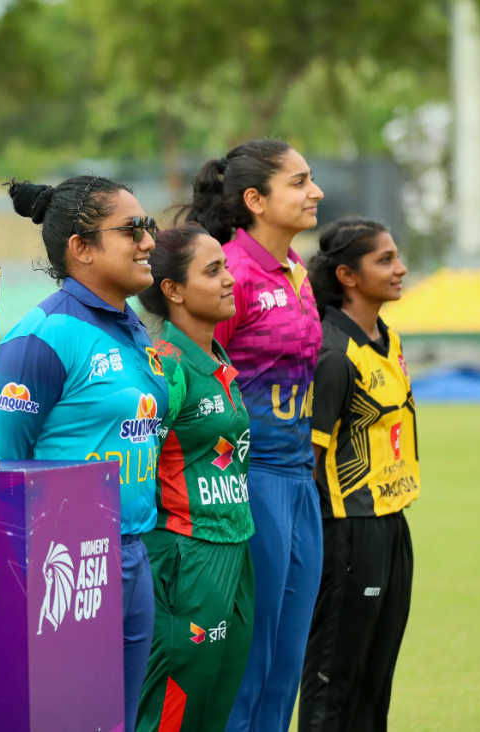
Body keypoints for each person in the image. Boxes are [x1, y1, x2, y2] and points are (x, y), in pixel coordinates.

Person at [0, 175, 165, 731]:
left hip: (132, 551)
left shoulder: (131, 327)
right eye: (132, 229)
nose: (149, 241)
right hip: (64, 563)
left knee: (119, 721)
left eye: (148, 226)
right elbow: (7, 458)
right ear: (81, 247)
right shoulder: (42, 336)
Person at [181, 139, 325, 732]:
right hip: (248, 481)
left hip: (300, 480)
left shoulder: (297, 272)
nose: (315, 192)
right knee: (249, 660)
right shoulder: (231, 273)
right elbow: (192, 376)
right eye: (299, 181)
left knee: (287, 663)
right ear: (255, 200)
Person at [298, 218, 418, 732]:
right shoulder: (333, 354)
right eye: (384, 260)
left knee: (376, 677)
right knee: (334, 678)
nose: (400, 268)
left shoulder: (387, 339)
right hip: (347, 530)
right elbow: (310, 459)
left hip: (391, 522)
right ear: (347, 275)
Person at [134, 225, 255, 732]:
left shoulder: (217, 360)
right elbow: (137, 463)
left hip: (235, 549)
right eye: (213, 271)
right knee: (173, 709)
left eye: (225, 267)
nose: (230, 280)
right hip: (187, 556)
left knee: (215, 707)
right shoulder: (166, 365)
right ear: (173, 290)